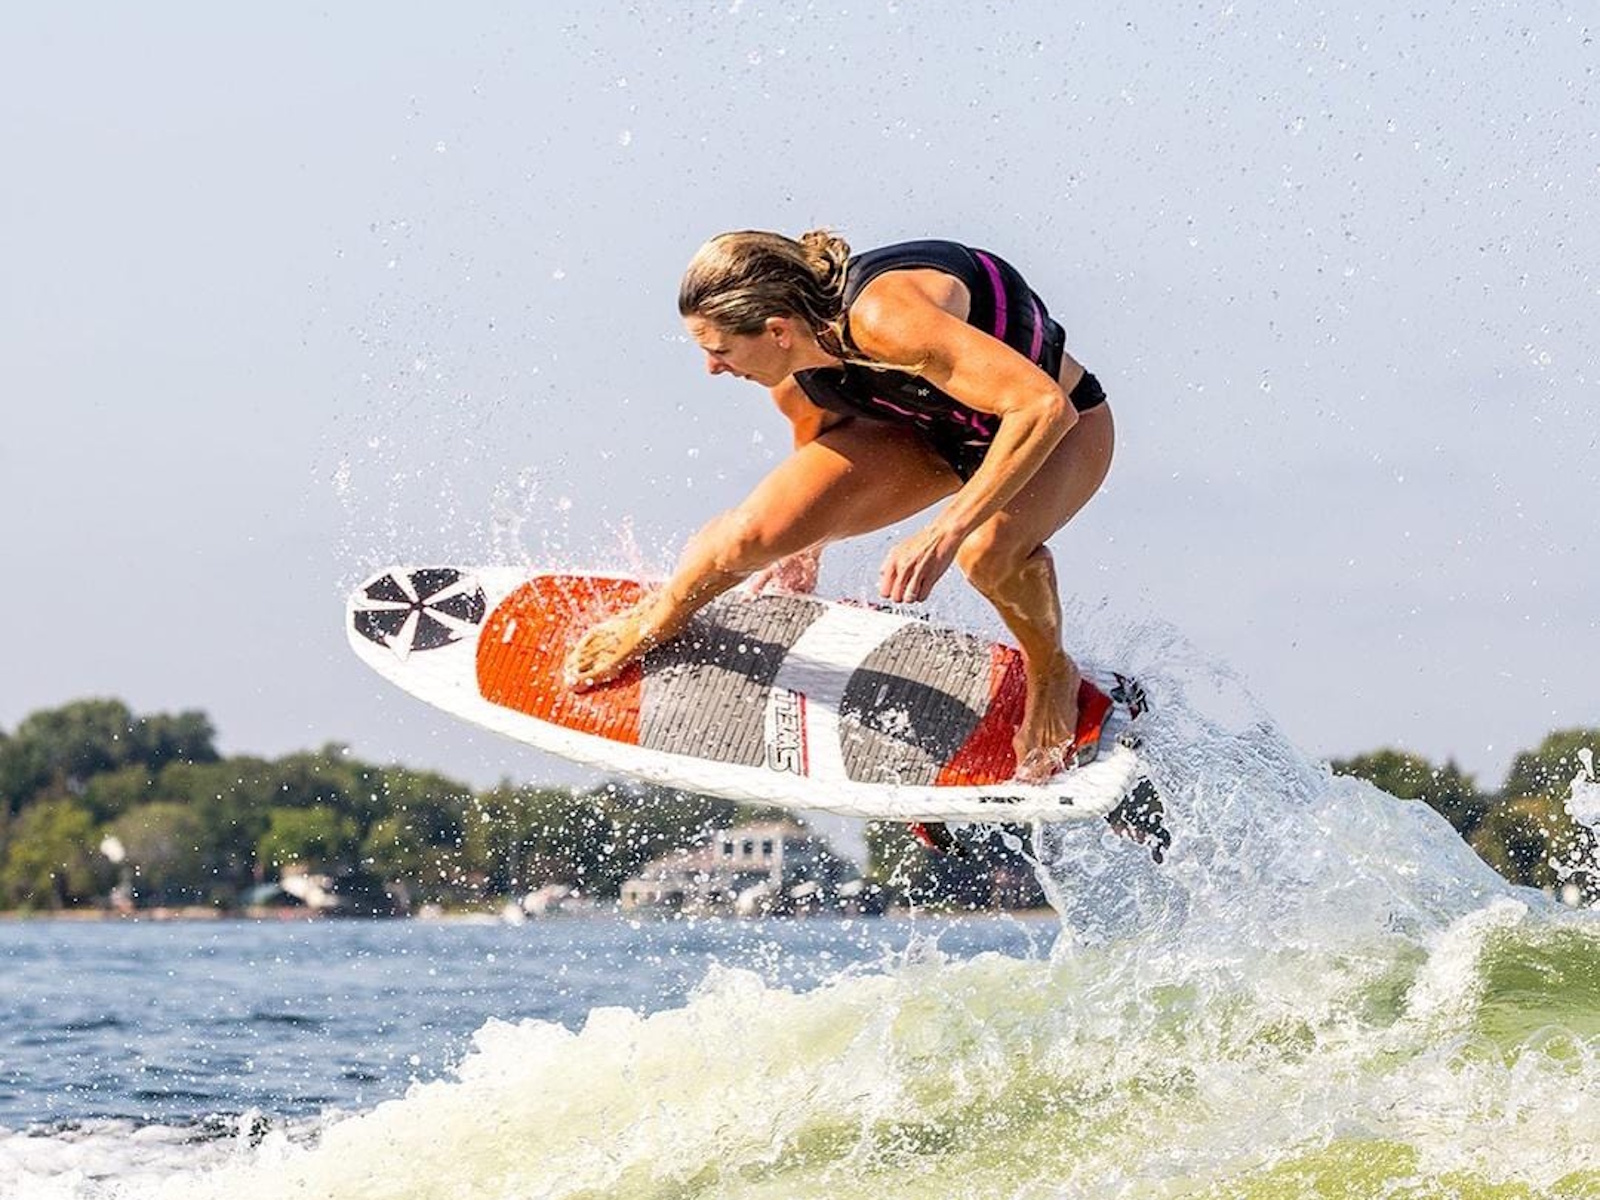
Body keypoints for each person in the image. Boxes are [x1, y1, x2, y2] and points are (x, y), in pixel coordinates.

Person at [566, 231, 1113, 782]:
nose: (711, 367)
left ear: (777, 330)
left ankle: (1050, 671)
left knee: (985, 552)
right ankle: (659, 617)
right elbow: (818, 446)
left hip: (1062, 429)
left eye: (721, 349)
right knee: (750, 537)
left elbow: (1042, 407)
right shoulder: (793, 376)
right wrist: (802, 543)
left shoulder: (885, 320)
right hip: (930, 438)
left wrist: (943, 532)